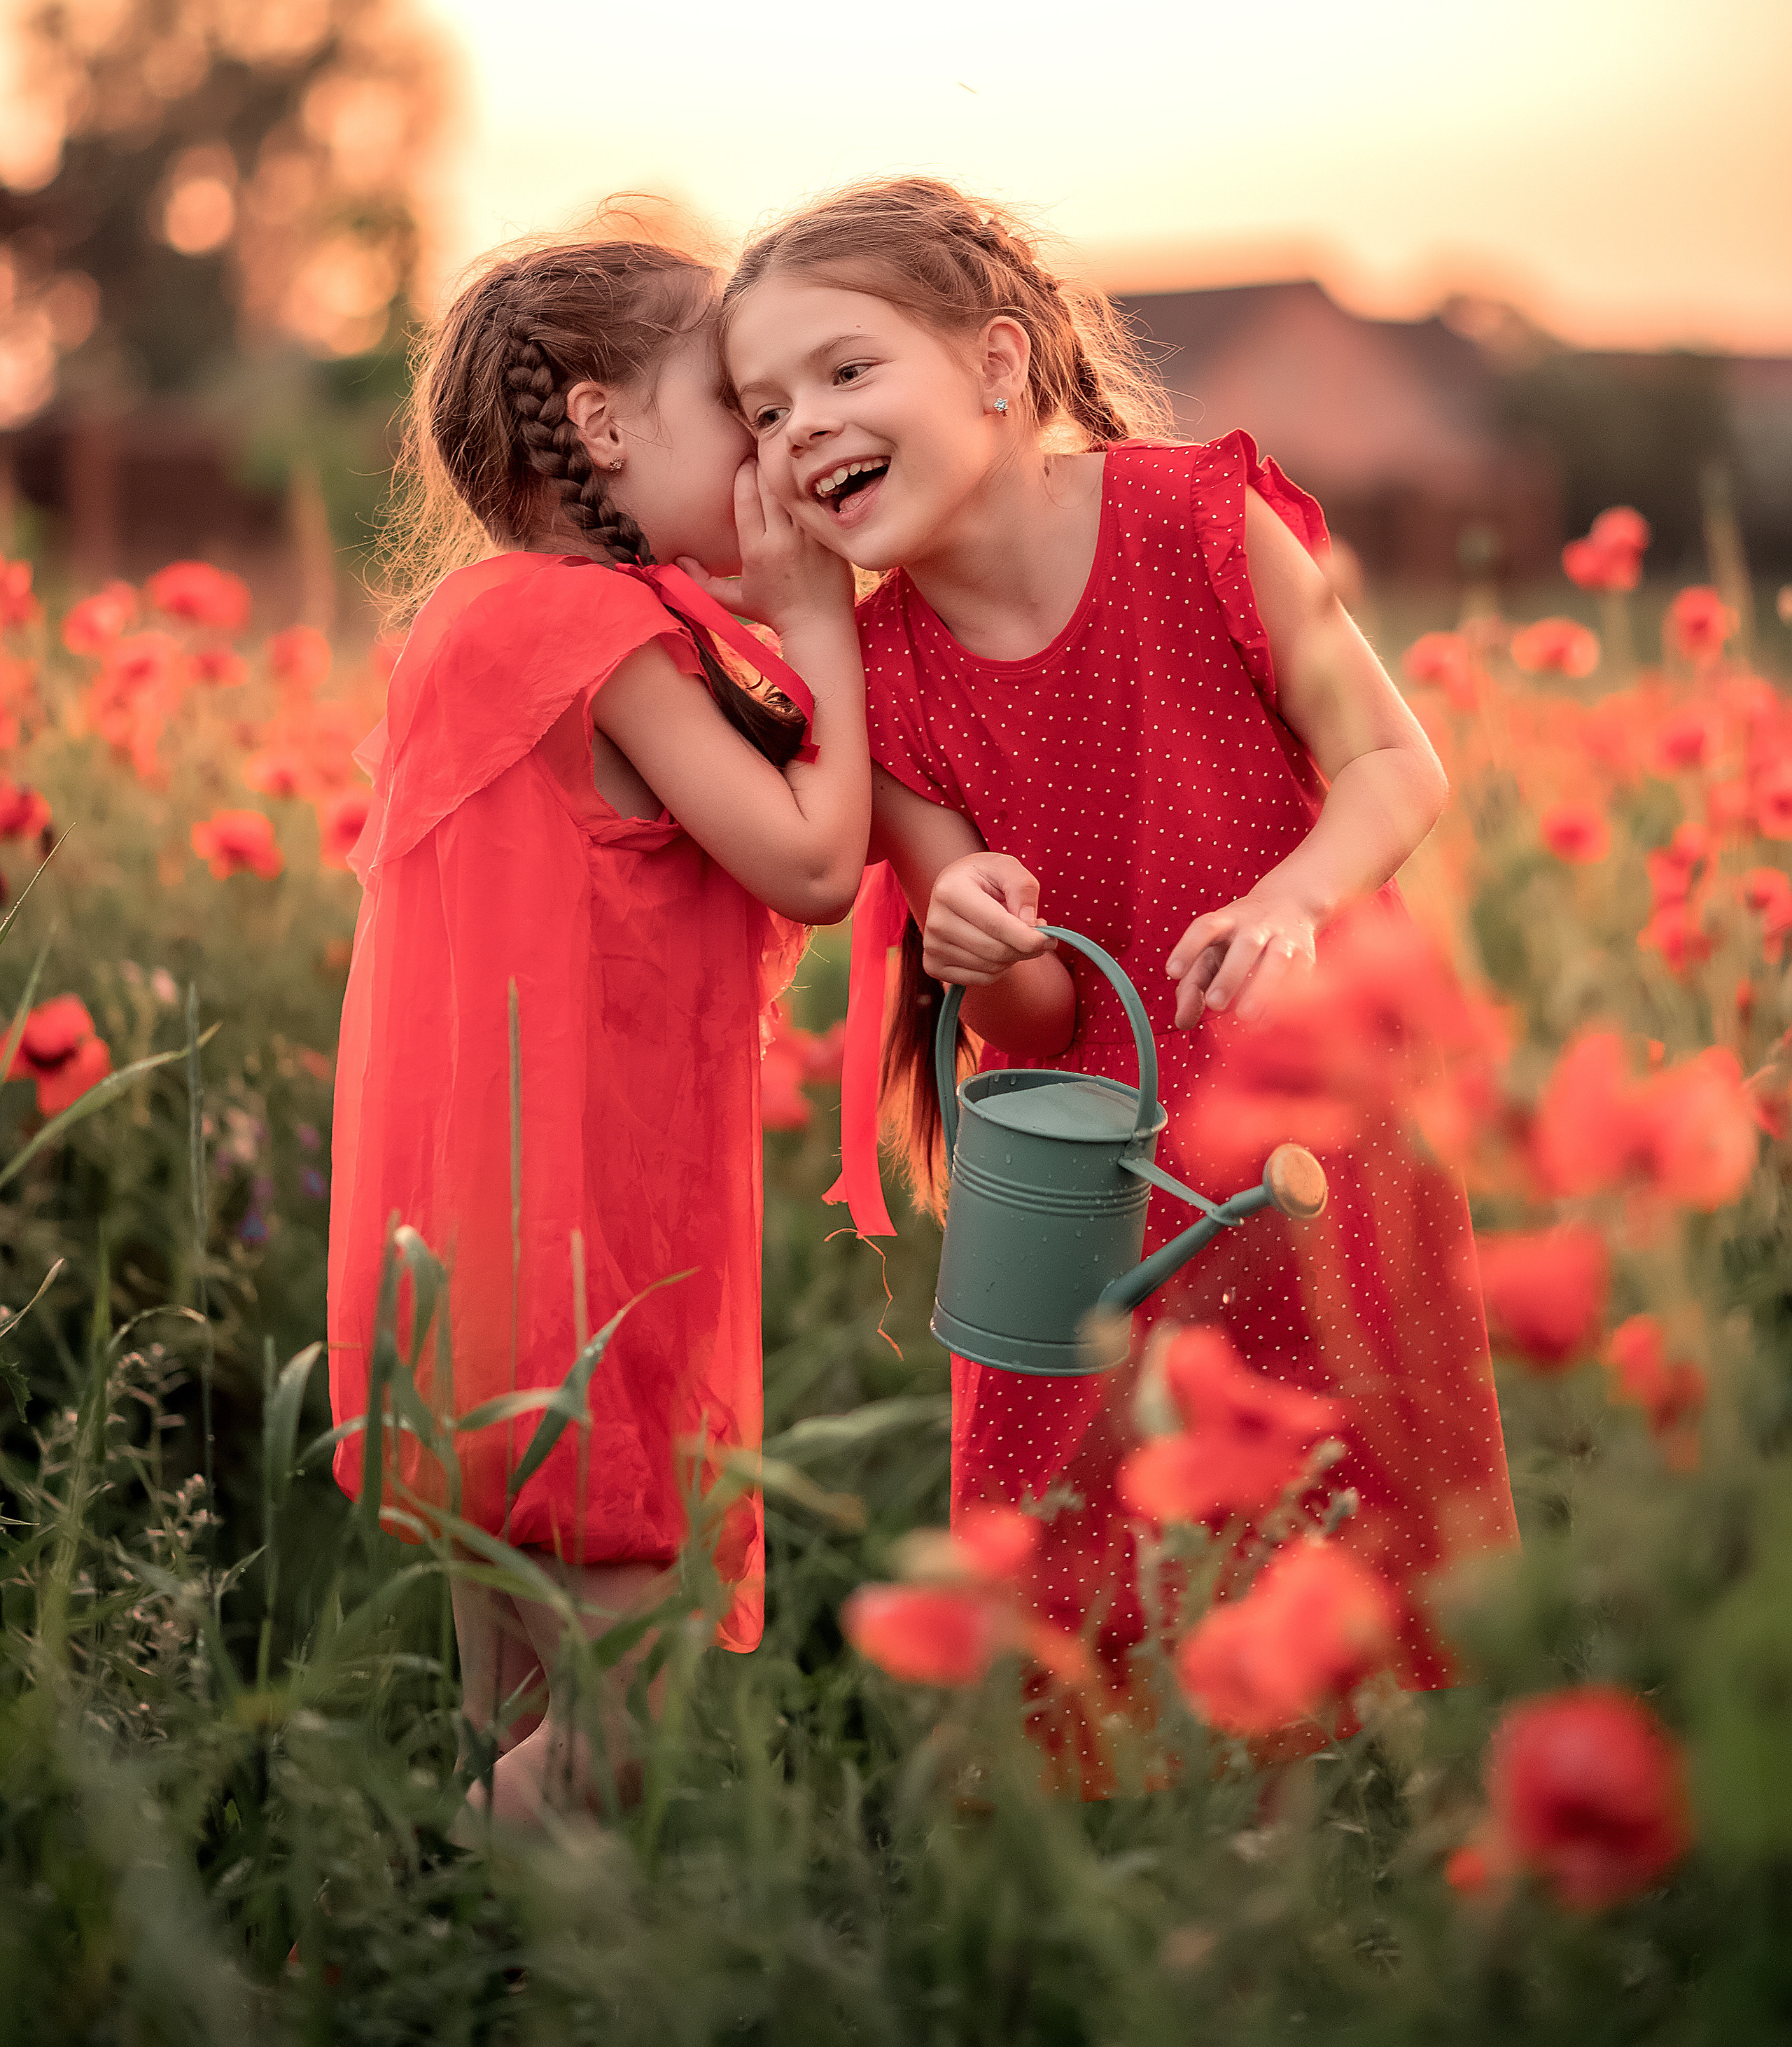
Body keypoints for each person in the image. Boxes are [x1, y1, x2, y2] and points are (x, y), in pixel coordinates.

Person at [717, 177, 1516, 1762]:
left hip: (1310, 1138)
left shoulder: (1192, 521)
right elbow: (1036, 1017)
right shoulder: (885, 677)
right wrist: (971, 943)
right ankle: (1119, 1914)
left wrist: (1289, 901)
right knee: (1090, 1603)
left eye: (844, 371)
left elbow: (1391, 764)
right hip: (1081, 1187)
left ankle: (1358, 1904)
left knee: (1346, 1551)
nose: (802, 425)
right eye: (762, 405)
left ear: (999, 365)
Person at [329, 227, 868, 1824]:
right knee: (613, 1745)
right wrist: (817, 606)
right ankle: (358, 1941)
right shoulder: (607, 640)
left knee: (509, 1718)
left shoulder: (472, 618)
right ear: (607, 424)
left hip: (459, 1288)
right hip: (590, 1280)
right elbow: (815, 860)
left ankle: (444, 1967)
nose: (770, 444)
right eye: (737, 405)